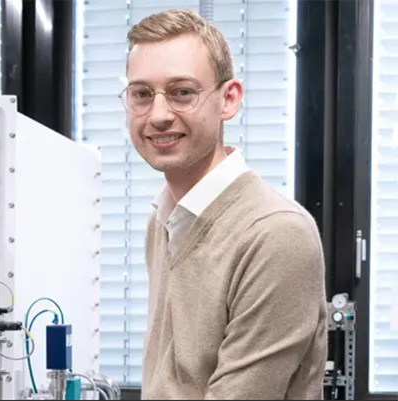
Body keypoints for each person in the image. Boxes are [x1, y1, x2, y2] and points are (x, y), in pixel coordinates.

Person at [121, 9, 328, 400]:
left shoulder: (275, 234)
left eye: (183, 92)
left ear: (228, 100)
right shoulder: (164, 220)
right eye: (142, 94)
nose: (159, 115)